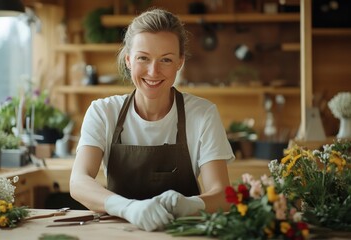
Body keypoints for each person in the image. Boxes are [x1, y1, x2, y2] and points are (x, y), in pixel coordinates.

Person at [70, 8, 235, 232]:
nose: (153, 71)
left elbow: (223, 195)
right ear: (128, 60)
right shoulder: (103, 112)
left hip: (181, 234)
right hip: (118, 234)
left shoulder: (203, 115)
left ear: (180, 62)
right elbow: (78, 182)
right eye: (143, 58)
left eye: (166, 59)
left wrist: (191, 205)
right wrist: (128, 208)